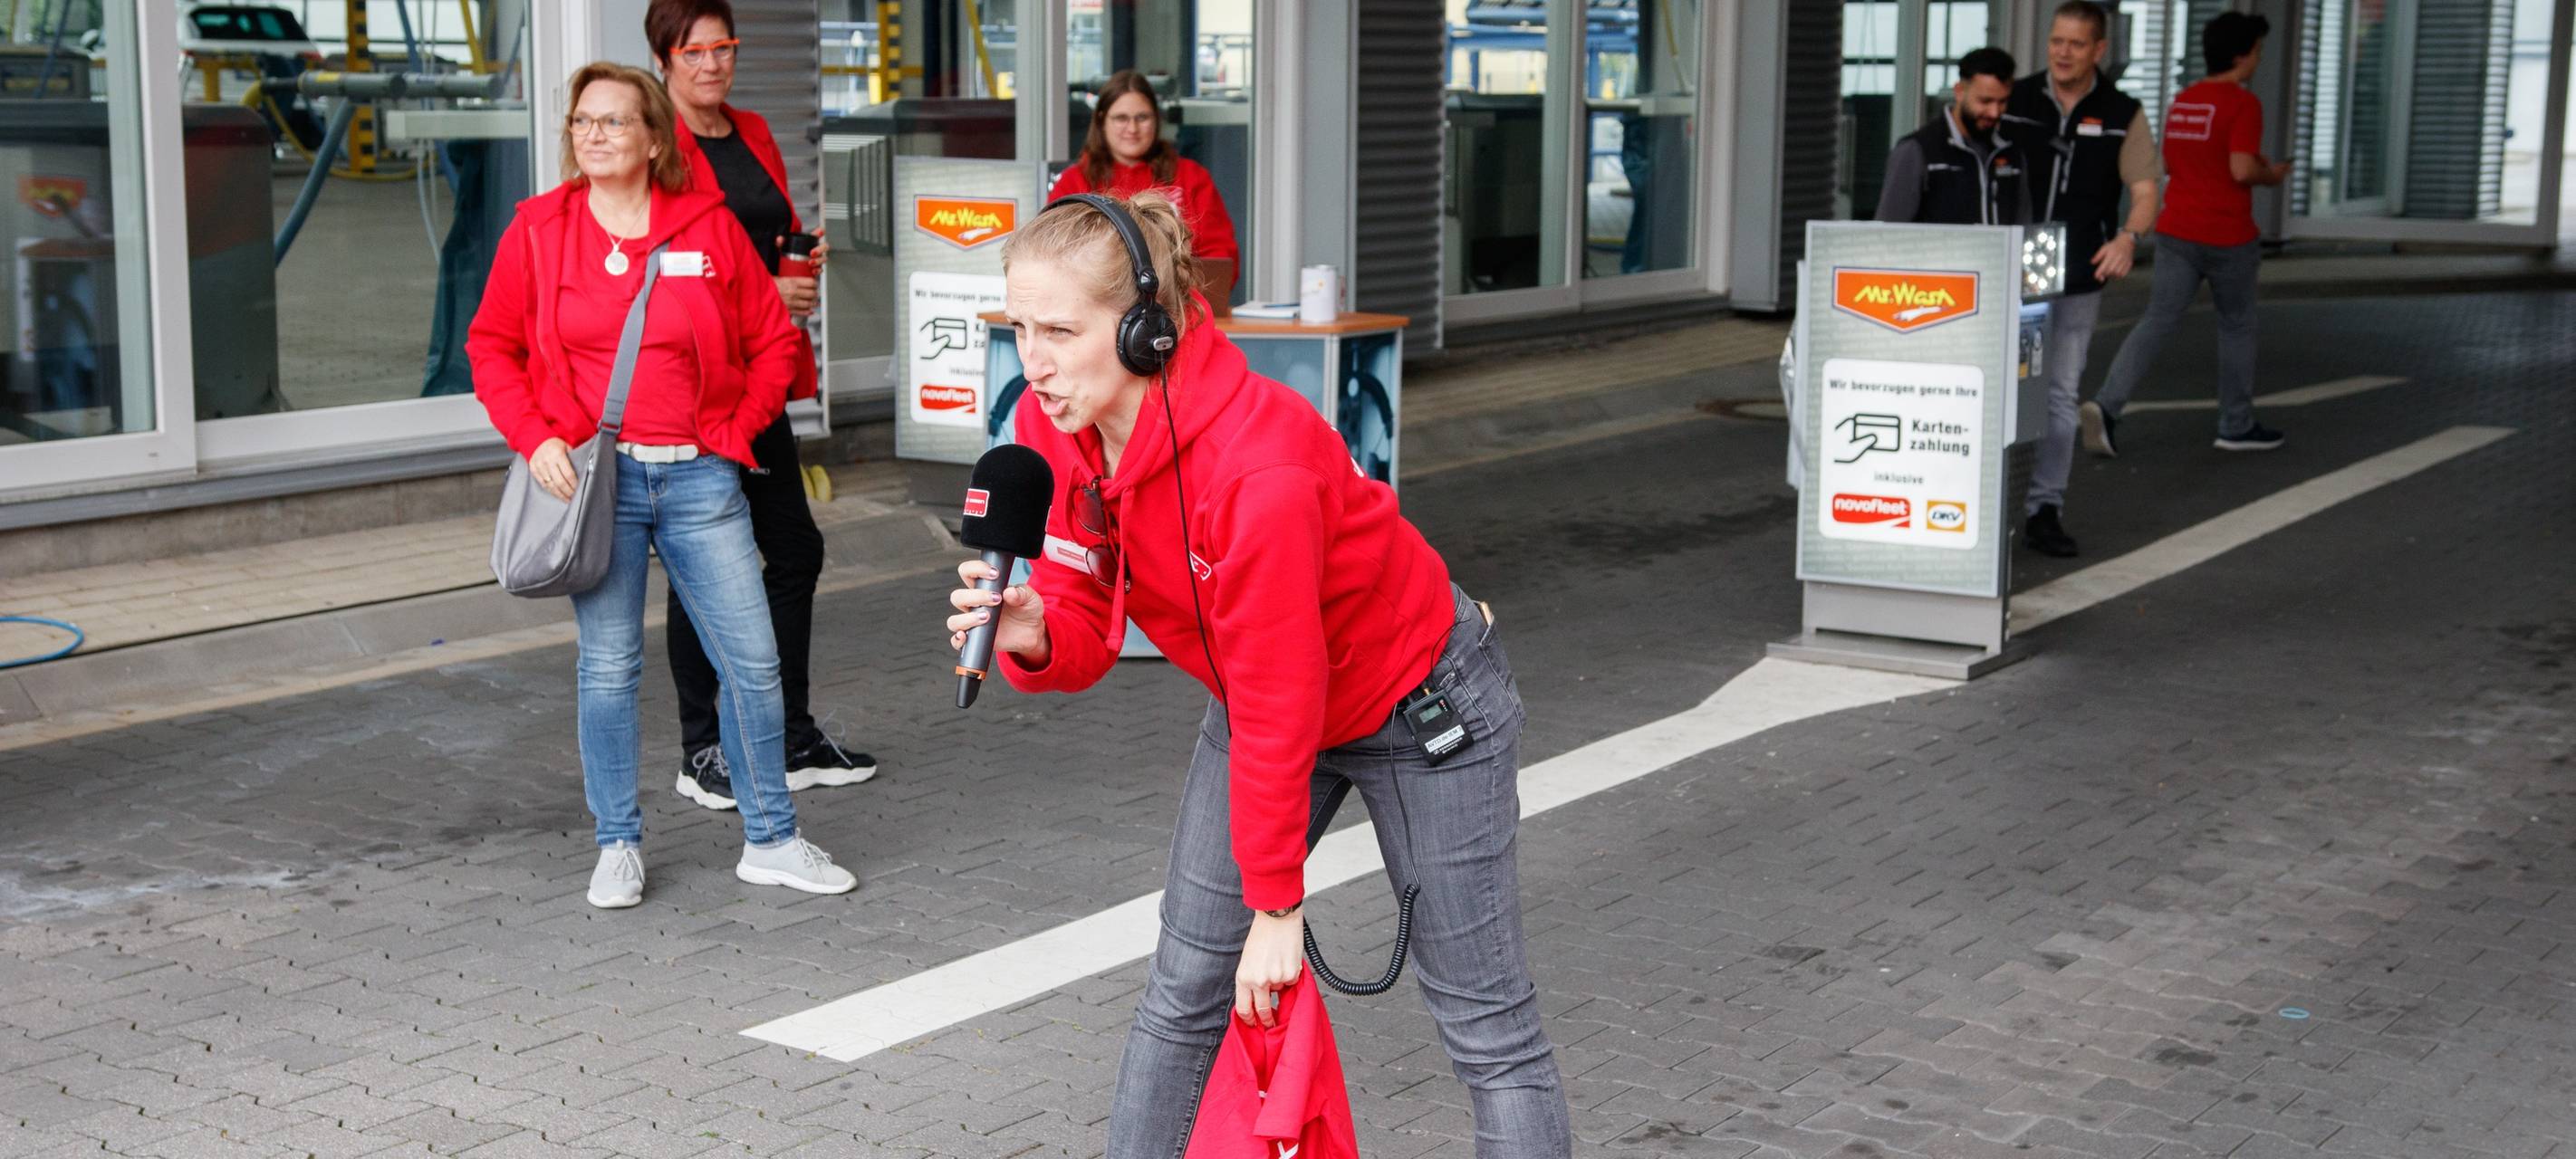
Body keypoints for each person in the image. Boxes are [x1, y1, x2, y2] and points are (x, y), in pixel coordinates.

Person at [944, 191, 1571, 1157]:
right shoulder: (1048, 423)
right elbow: (1085, 620)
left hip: (1420, 702)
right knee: (1182, 987)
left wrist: (1278, 906)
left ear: (1149, 328)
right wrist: (1030, 630)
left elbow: (1284, 691)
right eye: (1019, 326)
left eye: (1062, 330)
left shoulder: (1258, 464)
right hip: (1265, 694)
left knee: (1487, 1024)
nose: (1034, 359)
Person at [468, 62, 858, 908]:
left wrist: (728, 433)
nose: (595, 134)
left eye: (614, 121)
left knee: (752, 665)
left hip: (698, 482)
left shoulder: (705, 226)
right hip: (597, 484)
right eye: (582, 122)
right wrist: (535, 438)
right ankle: (616, 845)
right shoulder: (539, 230)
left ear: (654, 138)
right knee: (607, 669)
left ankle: (773, 838)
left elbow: (773, 344)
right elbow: (491, 347)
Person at [647, 0, 879, 809]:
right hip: (695, 387)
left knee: (793, 550)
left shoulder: (750, 130)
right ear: (666, 58)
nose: (713, 64)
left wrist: (796, 265)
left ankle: (783, 733)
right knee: (699, 560)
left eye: (725, 47)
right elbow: (668, 265)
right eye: (695, 51)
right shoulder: (656, 144)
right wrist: (763, 289)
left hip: (762, 377)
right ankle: (702, 747)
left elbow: (764, 228)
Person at [2082, 12, 2292, 456]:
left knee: (2157, 320)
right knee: (2236, 327)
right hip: (2227, 233)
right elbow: (2239, 167)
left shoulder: (2185, 101)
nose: (2258, 59)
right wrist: (2270, 174)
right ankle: (2235, 425)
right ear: (2242, 55)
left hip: (2177, 228)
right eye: (2257, 50)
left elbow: (2172, 164)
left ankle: (2107, 404)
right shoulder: (2242, 103)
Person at [2001, 2, 2161, 558]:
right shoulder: (2015, 99)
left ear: (2099, 50)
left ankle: (2044, 508)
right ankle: (1981, 505)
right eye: (2055, 41)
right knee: (2001, 384)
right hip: (2010, 259)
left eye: (2075, 44)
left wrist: (2127, 239)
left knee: (2060, 392)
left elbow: (2144, 191)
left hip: (2074, 264)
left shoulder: (2122, 112)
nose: (2062, 53)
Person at [1046, 71, 1241, 295]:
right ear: (1101, 121)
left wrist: (1179, 299)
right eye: (1121, 118)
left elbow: (1220, 256)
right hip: (1096, 309)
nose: (1132, 129)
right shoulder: (1075, 181)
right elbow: (1054, 256)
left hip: (1180, 309)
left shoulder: (1192, 177)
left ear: (1156, 120)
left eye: (1142, 117)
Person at [1876, 47, 2031, 225]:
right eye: (1985, 101)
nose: (1994, 112)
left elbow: (2023, 227)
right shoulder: (1916, 150)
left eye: (2002, 102)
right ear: (1959, 91)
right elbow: (1887, 232)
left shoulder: (2011, 152)